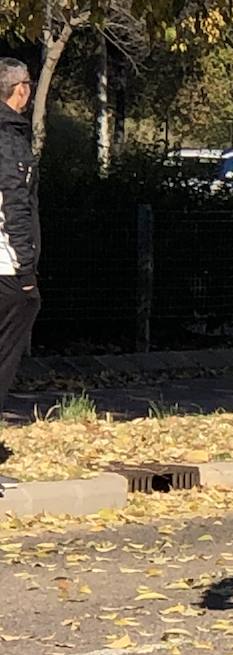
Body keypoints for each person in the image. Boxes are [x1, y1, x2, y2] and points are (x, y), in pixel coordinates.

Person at [0, 58, 38, 439]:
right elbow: (14, 205)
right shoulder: (8, 138)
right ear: (20, 89)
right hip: (7, 270)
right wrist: (27, 272)